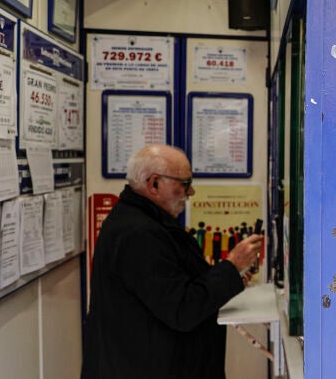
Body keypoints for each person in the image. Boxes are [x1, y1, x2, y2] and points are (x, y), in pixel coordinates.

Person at [81, 144, 263, 379]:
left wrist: (231, 277)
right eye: (185, 184)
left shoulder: (143, 220)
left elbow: (179, 283)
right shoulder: (139, 234)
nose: (191, 192)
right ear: (154, 183)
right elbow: (182, 309)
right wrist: (232, 266)